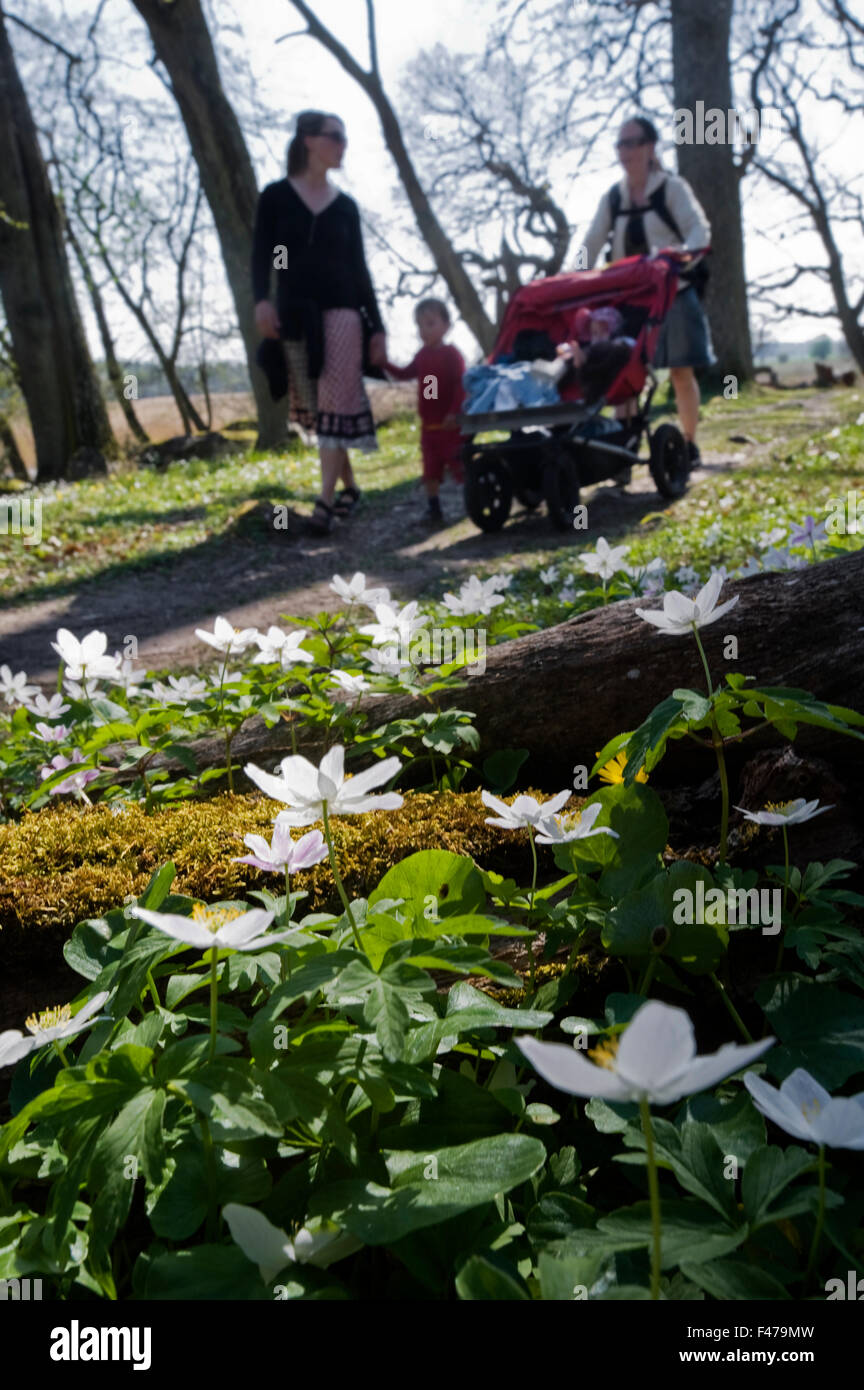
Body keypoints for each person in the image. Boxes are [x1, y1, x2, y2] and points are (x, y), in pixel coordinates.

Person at [251, 110, 387, 535]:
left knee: (333, 400)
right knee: (317, 405)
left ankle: (324, 504)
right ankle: (350, 488)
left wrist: (377, 326)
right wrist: (262, 301)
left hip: (344, 313)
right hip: (294, 314)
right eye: (335, 137)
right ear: (308, 140)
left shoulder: (345, 208)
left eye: (345, 138)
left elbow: (359, 269)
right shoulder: (275, 198)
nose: (343, 145)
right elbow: (263, 255)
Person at [577, 115, 713, 466]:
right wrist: (574, 276)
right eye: (620, 144)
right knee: (626, 374)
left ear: (650, 147)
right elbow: (591, 241)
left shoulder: (672, 188)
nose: (625, 151)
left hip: (673, 291)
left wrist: (683, 257)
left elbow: (698, 230)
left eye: (632, 143)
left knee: (681, 371)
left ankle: (688, 441)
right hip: (629, 300)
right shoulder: (613, 198)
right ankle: (624, 450)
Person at [384, 298, 466, 527]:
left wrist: (454, 411)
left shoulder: (451, 354)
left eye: (430, 324)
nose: (424, 331)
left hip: (450, 426)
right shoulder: (422, 356)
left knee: (459, 465)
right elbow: (406, 374)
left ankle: (474, 499)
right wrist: (384, 363)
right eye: (420, 326)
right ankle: (434, 508)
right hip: (429, 428)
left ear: (446, 325)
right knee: (430, 471)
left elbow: (460, 385)